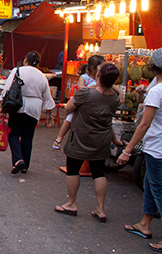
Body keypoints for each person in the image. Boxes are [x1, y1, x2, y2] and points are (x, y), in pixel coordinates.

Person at [54, 63, 122, 222]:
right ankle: (100, 208)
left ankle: (71, 203)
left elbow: (68, 108)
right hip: (102, 139)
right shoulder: (115, 97)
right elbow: (119, 95)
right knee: (98, 172)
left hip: (81, 137)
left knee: (73, 169)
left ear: (98, 76)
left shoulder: (85, 94)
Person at [120, 49, 162, 250]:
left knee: (158, 189)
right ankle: (144, 224)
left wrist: (127, 150)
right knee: (150, 185)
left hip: (157, 149)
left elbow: (144, 124)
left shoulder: (156, 91)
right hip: (156, 148)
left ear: (153, 68)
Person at [0, 51, 55, 174]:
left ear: (26, 60)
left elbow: (7, 89)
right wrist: (49, 113)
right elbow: (47, 97)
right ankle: (25, 165)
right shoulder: (42, 76)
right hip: (35, 109)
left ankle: (18, 159)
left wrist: (2, 107)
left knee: (13, 133)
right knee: (27, 137)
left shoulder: (17, 71)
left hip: (18, 105)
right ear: (38, 63)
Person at [53, 55, 108, 149]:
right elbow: (81, 88)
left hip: (94, 104)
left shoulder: (101, 79)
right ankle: (59, 138)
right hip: (81, 102)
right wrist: (89, 88)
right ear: (93, 68)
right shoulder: (84, 77)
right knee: (70, 118)